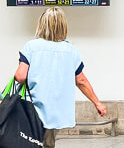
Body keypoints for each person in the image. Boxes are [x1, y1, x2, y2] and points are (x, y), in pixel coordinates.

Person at [13, 8, 107, 148]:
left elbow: (20, 77)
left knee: (26, 142)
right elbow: (81, 80)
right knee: (48, 143)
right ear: (63, 26)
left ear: (41, 24)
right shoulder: (71, 51)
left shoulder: (31, 47)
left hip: (32, 108)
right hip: (55, 112)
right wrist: (97, 103)